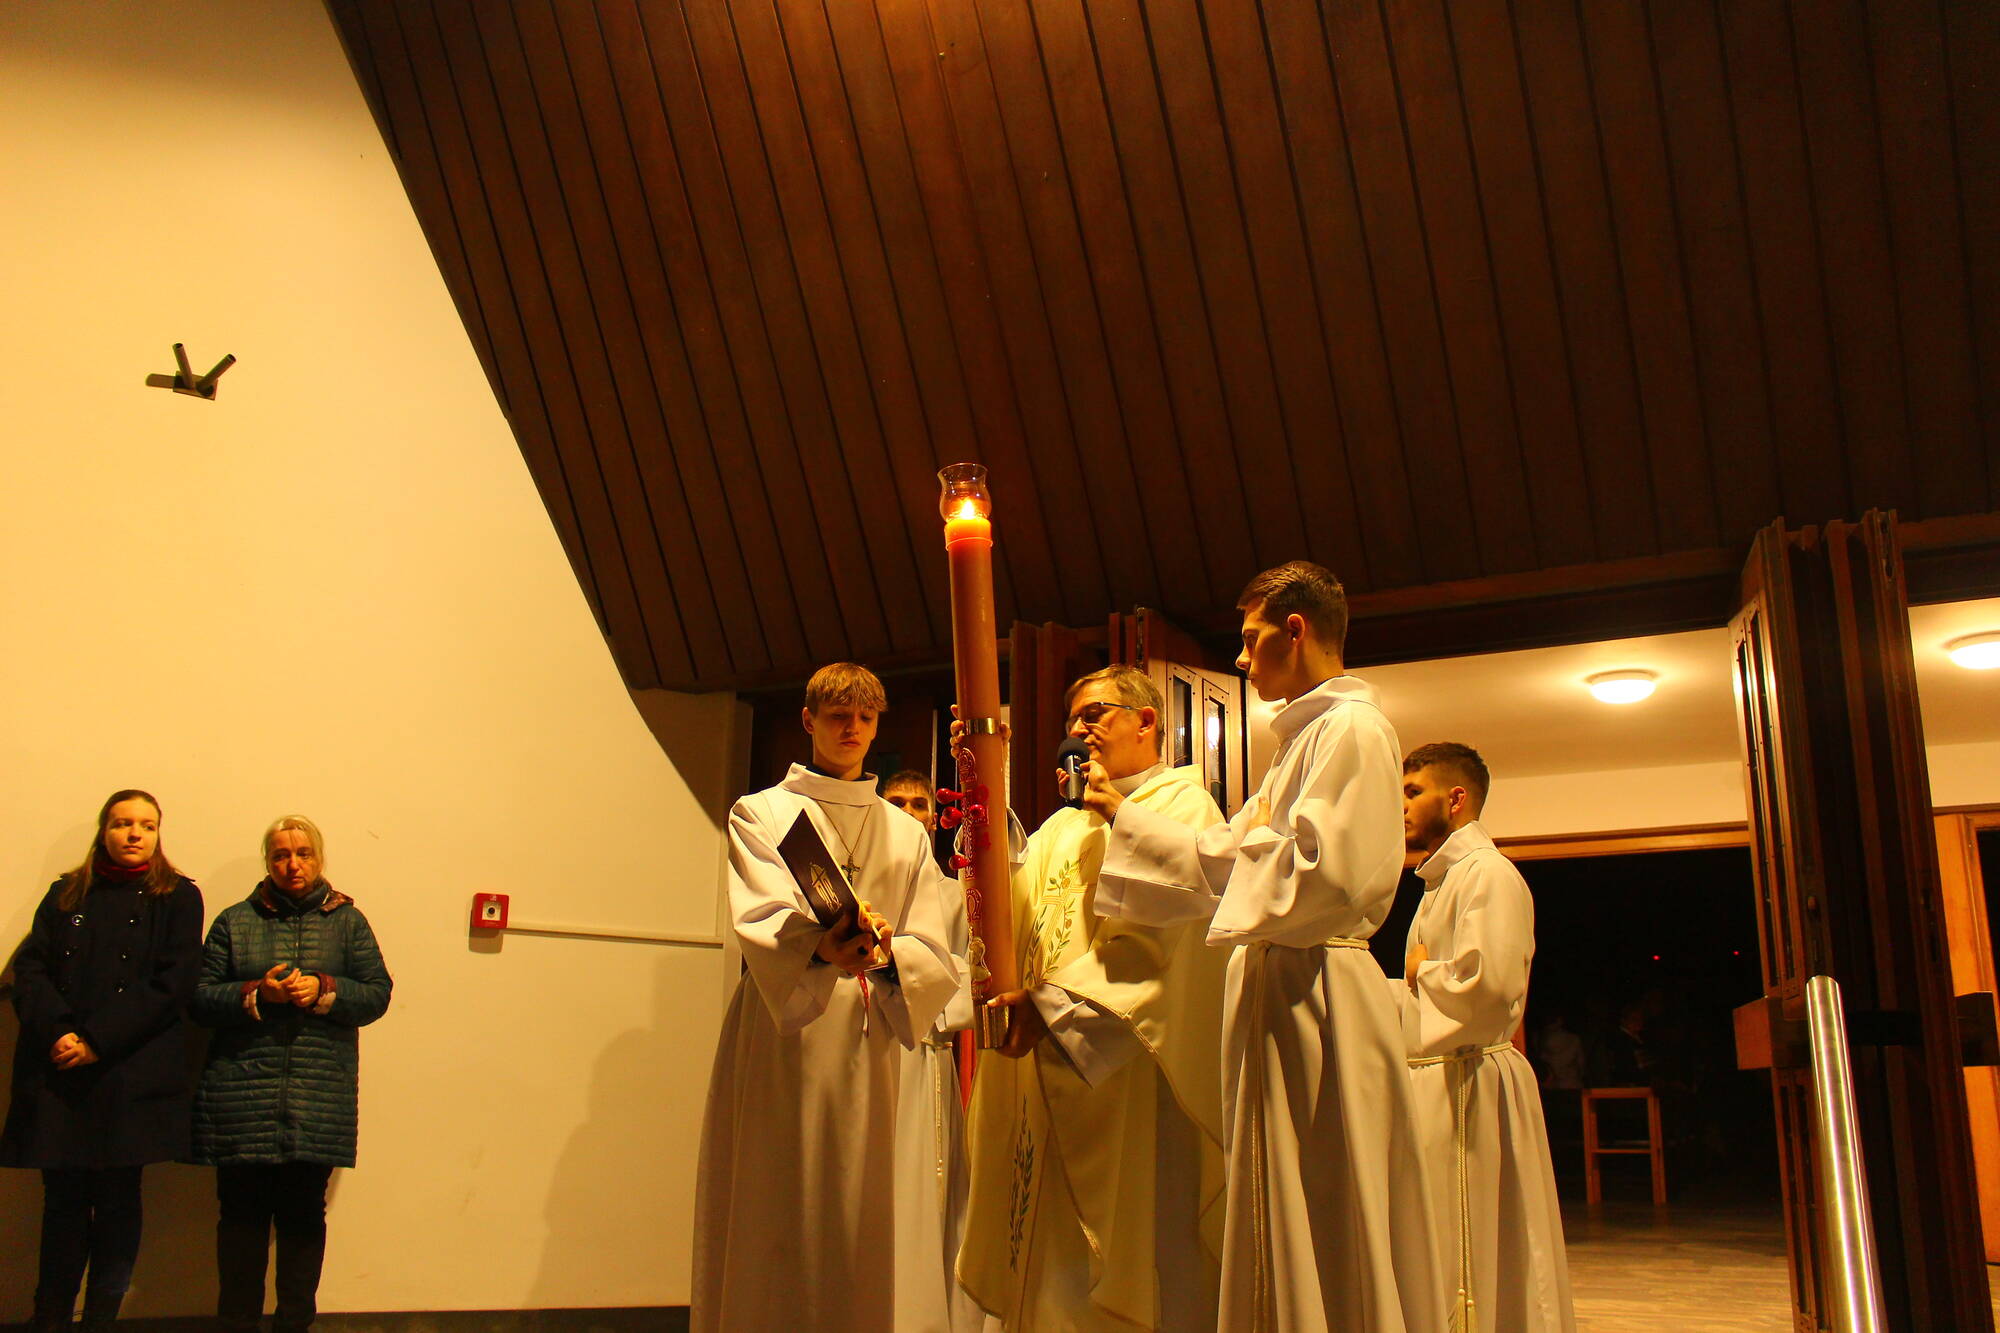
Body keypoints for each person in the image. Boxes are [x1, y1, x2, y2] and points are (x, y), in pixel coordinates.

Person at [1090, 561, 1442, 1333]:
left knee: (1327, 1202)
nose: (1241, 658)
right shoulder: (1301, 743)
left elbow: (1325, 875)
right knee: (1284, 1203)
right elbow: (1228, 855)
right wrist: (1131, 823)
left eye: (1251, 639)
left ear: (1296, 629)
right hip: (1287, 994)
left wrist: (1162, 837)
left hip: (1322, 999)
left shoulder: (1352, 730)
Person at [958, 665, 1229, 1332]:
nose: (1079, 729)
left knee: (1144, 1254)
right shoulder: (1060, 828)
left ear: (1147, 722)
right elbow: (1007, 922)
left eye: (1096, 713)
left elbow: (1160, 946)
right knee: (1053, 1270)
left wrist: (1051, 1011)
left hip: (1133, 1076)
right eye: (1072, 718)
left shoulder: (1183, 808)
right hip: (1051, 1070)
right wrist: (984, 792)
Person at [692, 664, 961, 1332]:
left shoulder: (906, 832)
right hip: (790, 1028)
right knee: (784, 1191)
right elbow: (762, 917)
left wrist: (889, 952)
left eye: (865, 718)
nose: (852, 729)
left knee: (866, 1200)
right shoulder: (763, 813)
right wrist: (820, 948)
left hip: (874, 1032)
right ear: (809, 720)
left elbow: (932, 942)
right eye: (839, 715)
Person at [2, 790, 204, 1331]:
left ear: (159, 834)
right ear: (104, 830)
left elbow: (172, 985)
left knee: (118, 1205)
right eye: (122, 823)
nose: (135, 834)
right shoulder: (67, 892)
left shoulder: (178, 897)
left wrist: (96, 1040)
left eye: (147, 825)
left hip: (128, 1075)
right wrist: (59, 1032)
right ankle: (50, 1317)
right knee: (62, 1206)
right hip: (60, 1073)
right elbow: (31, 969)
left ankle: (100, 1321)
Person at [191, 815, 394, 1333]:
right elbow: (199, 998)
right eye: (281, 854)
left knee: (303, 1222)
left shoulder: (349, 923)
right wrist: (258, 993)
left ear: (319, 859)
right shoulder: (235, 921)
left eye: (303, 853)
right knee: (240, 1223)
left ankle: (295, 1324)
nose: (292, 864)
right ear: (268, 861)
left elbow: (377, 994)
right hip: (240, 1100)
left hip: (316, 1100)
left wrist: (326, 989)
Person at [1401, 743, 1575, 1333]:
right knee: (1444, 1242)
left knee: (1476, 1244)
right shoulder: (1443, 882)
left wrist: (1421, 973)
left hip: (1471, 1078)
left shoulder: (1489, 875)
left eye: (1413, 792)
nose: (1401, 807)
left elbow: (1491, 987)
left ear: (1456, 798)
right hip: (1446, 1079)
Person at [881, 768, 982, 1333]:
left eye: (919, 804)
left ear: (933, 818)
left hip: (923, 1053)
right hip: (867, 1052)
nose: (908, 812)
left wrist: (915, 983)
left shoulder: (952, 895)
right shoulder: (861, 885)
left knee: (926, 1191)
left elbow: (972, 972)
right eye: (896, 802)